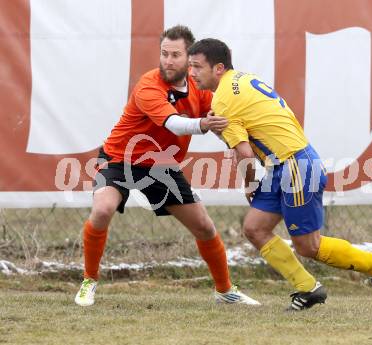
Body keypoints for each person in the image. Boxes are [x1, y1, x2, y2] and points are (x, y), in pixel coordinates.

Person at [188, 38, 372, 311]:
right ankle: (308, 288)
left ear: (217, 68)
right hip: (282, 166)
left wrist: (249, 185)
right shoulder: (241, 79)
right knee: (255, 228)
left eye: (196, 67)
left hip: (296, 166)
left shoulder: (225, 99)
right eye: (190, 66)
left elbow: (245, 154)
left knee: (308, 246)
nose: (191, 73)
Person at [74, 26, 260, 307]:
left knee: (204, 227)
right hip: (119, 159)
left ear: (190, 58)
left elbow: (221, 122)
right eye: (164, 54)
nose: (168, 61)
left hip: (161, 167)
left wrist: (238, 143)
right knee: (102, 210)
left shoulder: (199, 89)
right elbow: (174, 123)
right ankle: (89, 280)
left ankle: (225, 291)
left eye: (176, 55)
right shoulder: (149, 84)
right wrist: (204, 125)